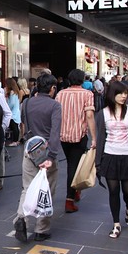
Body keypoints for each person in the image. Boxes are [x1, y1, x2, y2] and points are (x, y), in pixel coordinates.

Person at [14, 74, 62, 242]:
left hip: (29, 150)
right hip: (47, 151)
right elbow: (55, 133)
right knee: (46, 190)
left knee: (27, 187)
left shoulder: (26, 103)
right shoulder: (55, 106)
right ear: (52, 88)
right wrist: (52, 156)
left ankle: (21, 218)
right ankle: (42, 229)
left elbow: (23, 123)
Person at [95, 81, 128, 238]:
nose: (123, 96)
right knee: (113, 191)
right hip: (110, 155)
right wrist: (98, 162)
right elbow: (100, 138)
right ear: (112, 95)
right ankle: (116, 224)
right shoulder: (103, 113)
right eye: (120, 93)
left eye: (126, 93)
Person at [55, 69, 97, 213]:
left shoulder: (60, 94)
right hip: (79, 136)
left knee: (71, 164)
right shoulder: (87, 94)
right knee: (74, 166)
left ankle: (76, 190)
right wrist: (94, 138)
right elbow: (90, 116)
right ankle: (69, 200)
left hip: (63, 136)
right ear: (82, 79)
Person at [5, 78, 21, 147]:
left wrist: (6, 107)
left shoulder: (12, 93)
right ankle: (16, 141)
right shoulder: (16, 92)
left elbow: (11, 103)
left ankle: (15, 141)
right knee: (15, 127)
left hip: (13, 113)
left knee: (14, 127)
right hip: (16, 112)